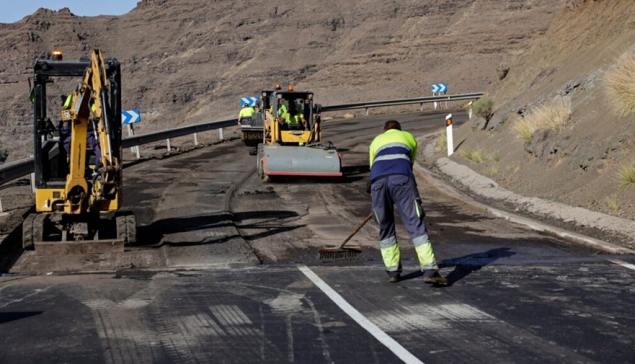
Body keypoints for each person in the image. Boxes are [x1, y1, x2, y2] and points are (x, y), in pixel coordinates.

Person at [368, 119, 448, 285]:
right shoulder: (408, 137)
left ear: (384, 131)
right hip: (401, 180)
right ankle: (430, 270)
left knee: (385, 226)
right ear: (399, 129)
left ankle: (392, 272)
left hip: (377, 184)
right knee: (414, 223)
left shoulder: (375, 140)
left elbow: (372, 167)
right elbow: (409, 164)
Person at [60, 94, 102, 172]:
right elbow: (64, 113)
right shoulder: (73, 97)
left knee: (97, 144)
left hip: (88, 131)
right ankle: (69, 166)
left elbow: (96, 113)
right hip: (73, 131)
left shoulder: (93, 100)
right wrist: (72, 114)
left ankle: (99, 166)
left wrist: (92, 116)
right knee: (66, 145)